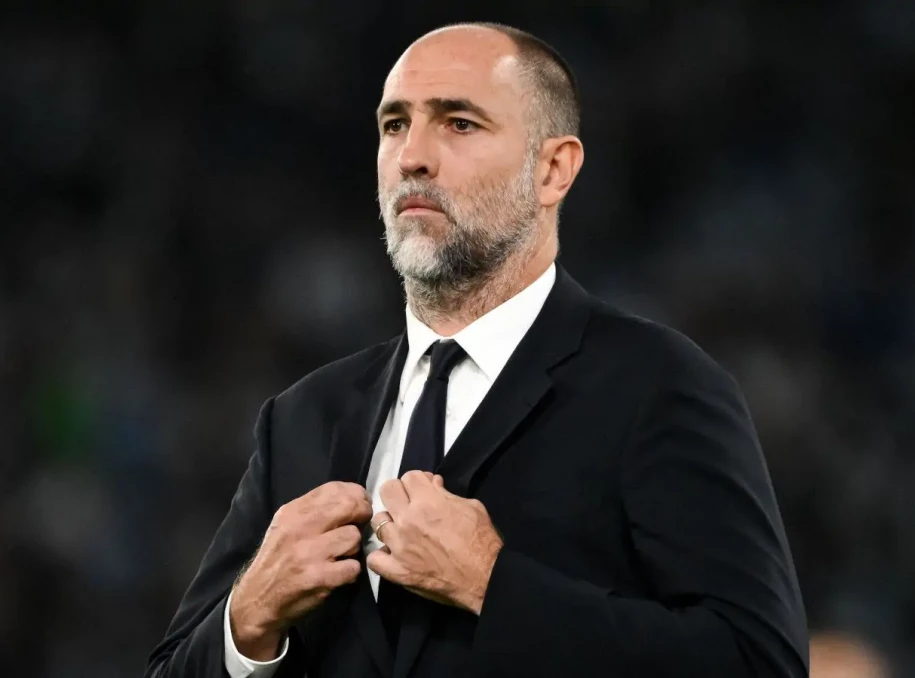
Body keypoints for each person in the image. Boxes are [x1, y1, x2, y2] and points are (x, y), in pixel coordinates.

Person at [146, 22, 809, 678]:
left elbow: (759, 662)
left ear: (553, 169)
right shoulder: (303, 418)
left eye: (459, 123)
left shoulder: (657, 386)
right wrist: (247, 621)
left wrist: (495, 585)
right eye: (395, 125)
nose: (412, 156)